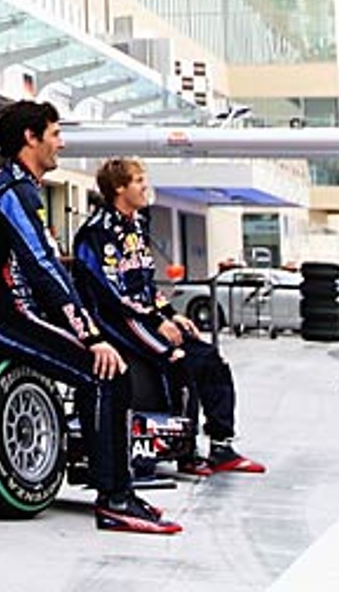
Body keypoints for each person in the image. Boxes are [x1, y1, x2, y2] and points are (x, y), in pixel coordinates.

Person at [0, 100, 180, 535]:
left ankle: (116, 486)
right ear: (31, 138)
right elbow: (43, 266)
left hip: (7, 311)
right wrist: (91, 336)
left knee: (104, 365)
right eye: (55, 134)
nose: (62, 143)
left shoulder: (9, 184)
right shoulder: (11, 191)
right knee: (108, 372)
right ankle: (115, 499)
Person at [73, 158, 264, 477]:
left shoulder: (137, 225)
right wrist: (158, 322)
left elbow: (146, 284)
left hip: (145, 317)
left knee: (211, 359)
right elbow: (112, 295)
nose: (145, 187)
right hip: (114, 321)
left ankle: (221, 446)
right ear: (119, 188)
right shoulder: (96, 232)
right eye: (138, 181)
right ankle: (185, 454)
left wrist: (172, 315)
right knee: (179, 360)